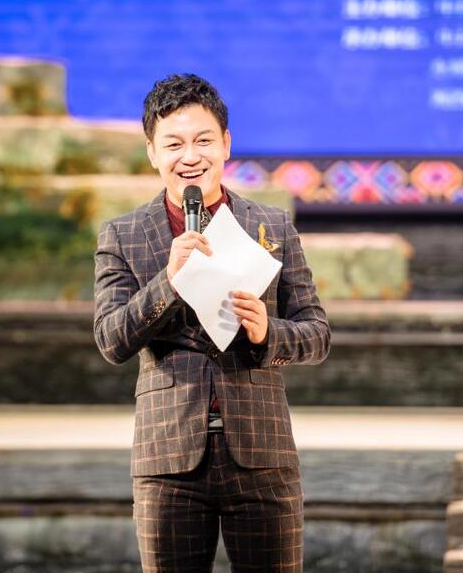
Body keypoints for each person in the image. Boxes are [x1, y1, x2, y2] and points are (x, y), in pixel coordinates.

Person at [92, 73, 331, 572]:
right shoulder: (123, 234)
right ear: (152, 153)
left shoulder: (271, 226)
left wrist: (268, 331)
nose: (190, 156)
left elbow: (316, 333)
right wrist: (167, 281)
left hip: (262, 452)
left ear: (226, 143)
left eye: (203, 140)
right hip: (169, 459)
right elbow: (111, 339)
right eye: (173, 144)